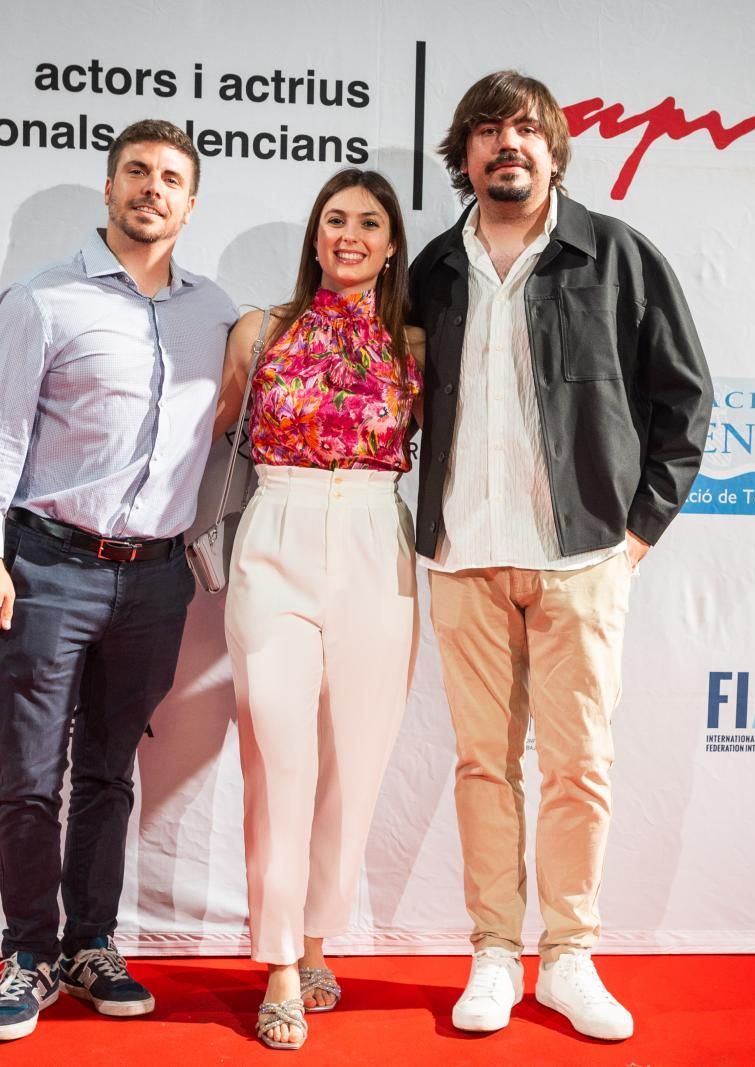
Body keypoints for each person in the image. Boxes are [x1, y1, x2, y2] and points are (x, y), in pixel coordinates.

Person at [408, 71, 712, 1042]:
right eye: (490, 130)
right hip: (460, 556)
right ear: (463, 157)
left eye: (527, 128)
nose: (510, 143)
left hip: (582, 554)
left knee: (578, 764)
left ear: (555, 149)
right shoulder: (430, 273)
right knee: (481, 766)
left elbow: (684, 400)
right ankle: (495, 950)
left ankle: (569, 953)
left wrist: (636, 532)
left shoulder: (615, 256)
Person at [0, 119, 237, 1043]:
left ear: (190, 205)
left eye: (171, 179)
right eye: (137, 173)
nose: (153, 189)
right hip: (47, 565)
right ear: (109, 190)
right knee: (31, 776)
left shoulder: (216, 313)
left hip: (156, 583)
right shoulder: (44, 300)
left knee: (110, 774)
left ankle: (91, 943)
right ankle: (28, 953)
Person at [213, 168, 423, 1051]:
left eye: (368, 223)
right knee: (279, 751)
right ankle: (279, 967)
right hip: (278, 529)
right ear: (314, 235)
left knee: (356, 759)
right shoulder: (261, 328)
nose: (349, 235)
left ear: (389, 243)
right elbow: (214, 428)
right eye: (334, 219)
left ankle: (315, 937)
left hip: (379, 536)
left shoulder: (412, 340)